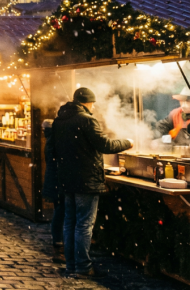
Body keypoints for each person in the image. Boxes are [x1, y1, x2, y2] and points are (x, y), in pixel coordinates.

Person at [53, 87, 133, 279]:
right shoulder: (86, 120)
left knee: (70, 223)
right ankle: (83, 267)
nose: (94, 107)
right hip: (85, 180)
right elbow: (105, 145)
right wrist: (127, 142)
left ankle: (71, 265)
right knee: (83, 224)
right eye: (92, 103)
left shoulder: (59, 120)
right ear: (87, 103)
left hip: (67, 179)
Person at [42, 119, 64, 263]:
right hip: (57, 180)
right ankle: (58, 242)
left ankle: (58, 240)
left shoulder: (50, 140)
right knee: (60, 211)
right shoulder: (55, 140)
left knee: (59, 210)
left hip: (53, 180)